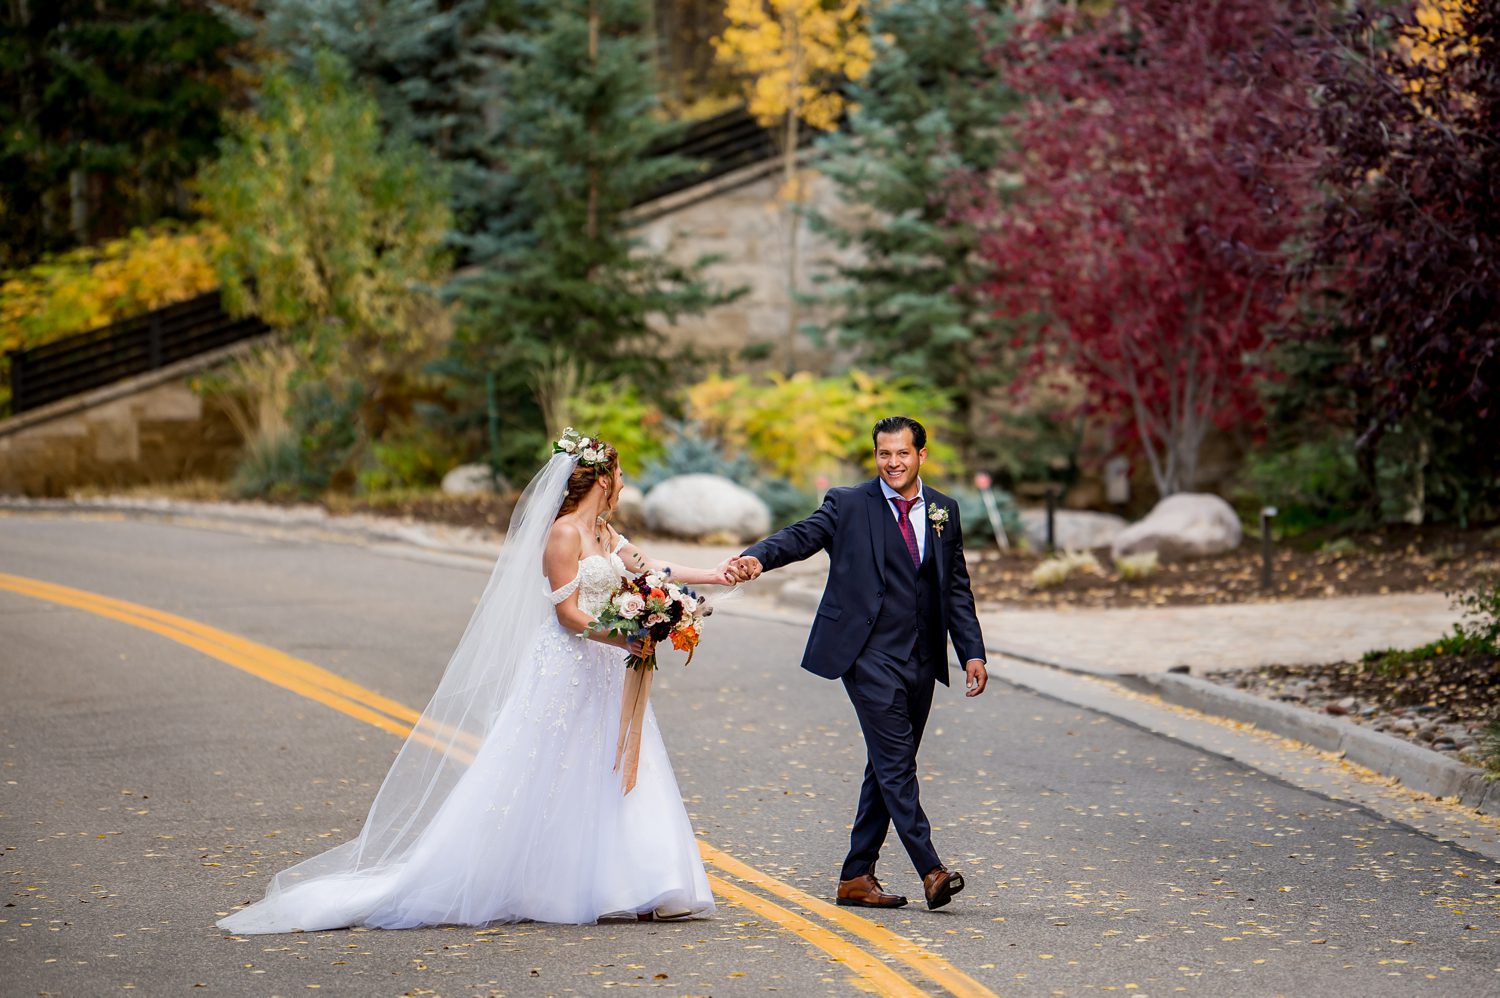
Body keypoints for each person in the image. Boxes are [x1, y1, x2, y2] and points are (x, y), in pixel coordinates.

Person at [217, 430, 729, 933]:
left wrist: (715, 574)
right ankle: (541, 880)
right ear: (599, 479)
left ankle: (642, 884)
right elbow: (569, 617)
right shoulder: (564, 534)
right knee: (549, 770)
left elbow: (654, 567)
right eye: (618, 475)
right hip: (570, 666)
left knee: (615, 767)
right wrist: (624, 640)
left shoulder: (606, 533)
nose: (623, 484)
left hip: (607, 668)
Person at [726, 416, 988, 911]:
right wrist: (756, 558)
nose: (892, 463)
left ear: (921, 456)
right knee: (895, 762)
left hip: (921, 657)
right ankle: (931, 868)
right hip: (866, 653)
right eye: (884, 454)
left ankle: (855, 876)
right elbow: (801, 536)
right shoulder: (848, 504)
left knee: (887, 765)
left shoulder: (943, 512)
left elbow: (956, 588)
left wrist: (971, 650)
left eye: (902, 454)